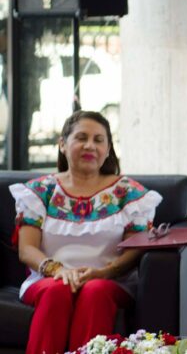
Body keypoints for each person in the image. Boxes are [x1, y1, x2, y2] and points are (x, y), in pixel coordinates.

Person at [9, 110, 162, 354]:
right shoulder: (39, 191)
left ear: (108, 149)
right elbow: (27, 249)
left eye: (98, 140)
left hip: (111, 280)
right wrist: (58, 270)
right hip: (48, 278)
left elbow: (135, 250)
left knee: (95, 291)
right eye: (81, 137)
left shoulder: (130, 194)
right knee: (57, 289)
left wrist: (103, 272)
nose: (90, 145)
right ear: (62, 144)